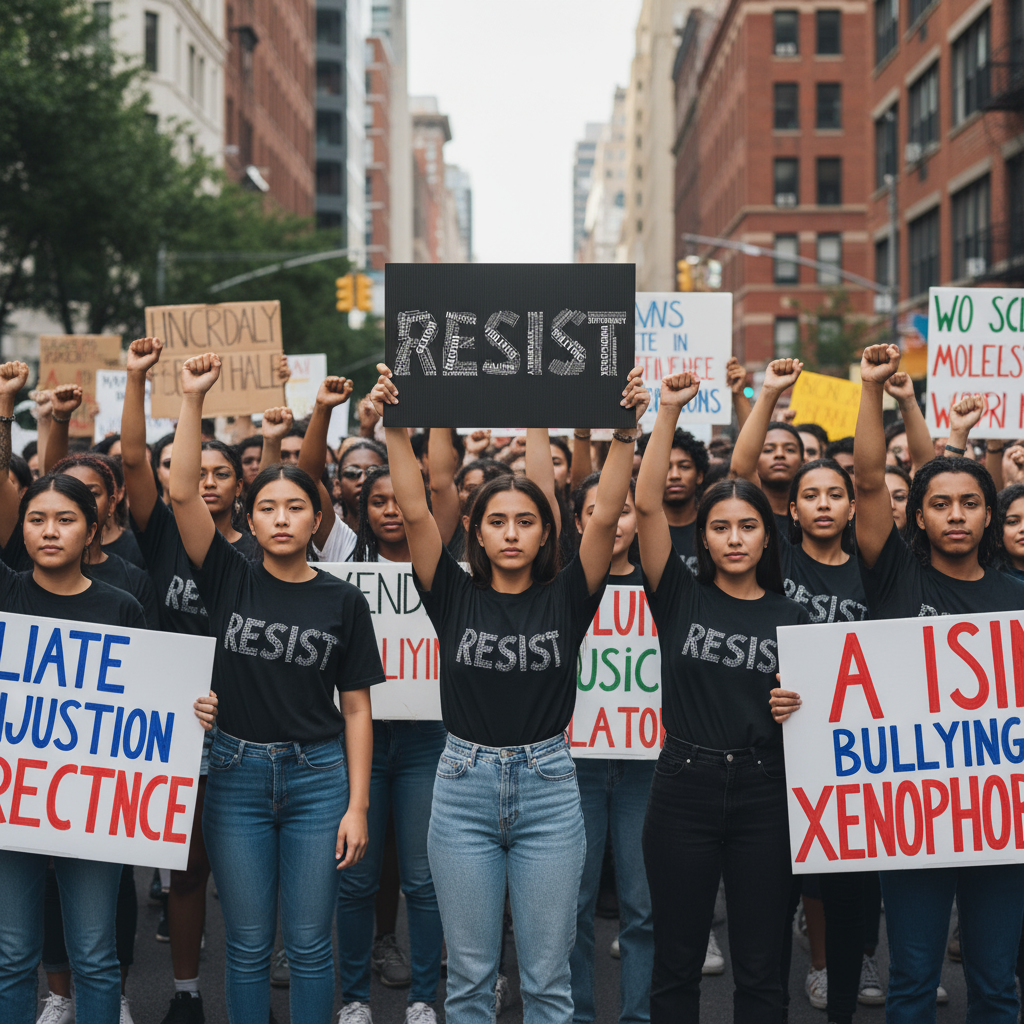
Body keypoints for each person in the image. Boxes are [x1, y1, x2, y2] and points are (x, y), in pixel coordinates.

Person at [371, 361, 646, 1023]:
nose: (513, 532)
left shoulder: (570, 596)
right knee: (468, 980)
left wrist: (624, 433)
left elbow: (606, 512)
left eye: (527, 520)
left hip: (550, 789)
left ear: (548, 531)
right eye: (498, 521)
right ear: (478, 532)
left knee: (548, 981)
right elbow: (414, 507)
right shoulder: (450, 591)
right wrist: (393, 426)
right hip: (461, 786)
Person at [773, 343, 1024, 1024]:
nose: (955, 516)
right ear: (919, 517)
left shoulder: (1017, 597)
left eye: (971, 503)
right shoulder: (894, 576)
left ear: (988, 516)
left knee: (997, 984)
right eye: (940, 504)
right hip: (911, 826)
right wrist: (872, 390)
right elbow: (868, 481)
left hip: (995, 822)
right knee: (912, 979)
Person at [169, 351, 383, 1024]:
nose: (284, 517)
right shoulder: (226, 575)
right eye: (269, 507)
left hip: (320, 778)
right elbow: (179, 493)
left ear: (318, 520)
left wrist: (357, 806)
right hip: (234, 773)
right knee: (249, 944)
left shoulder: (343, 601)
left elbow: (356, 709)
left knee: (313, 945)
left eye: (298, 506)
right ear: (250, 518)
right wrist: (193, 398)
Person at [0, 360, 217, 1024]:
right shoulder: (6, 593)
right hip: (16, 799)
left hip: (93, 808)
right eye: (36, 520)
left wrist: (192, 709)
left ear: (92, 531)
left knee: (95, 956)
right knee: (12, 956)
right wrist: (8, 408)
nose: (48, 531)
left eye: (65, 520)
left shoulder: (122, 604)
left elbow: (152, 692)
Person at [637, 371, 809, 1024]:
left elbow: (818, 718)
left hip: (768, 794)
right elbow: (648, 504)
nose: (734, 538)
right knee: (675, 964)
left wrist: (798, 707)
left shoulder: (794, 617)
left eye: (747, 526)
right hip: (683, 788)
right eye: (720, 527)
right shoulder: (678, 593)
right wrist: (668, 410)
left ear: (768, 536)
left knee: (764, 972)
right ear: (702, 538)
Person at [120, 337, 262, 1023]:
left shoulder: (266, 552)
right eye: (194, 468)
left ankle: (248, 995)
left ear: (242, 487)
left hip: (252, 724)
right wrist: (143, 383)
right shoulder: (164, 538)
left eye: (221, 472)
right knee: (187, 869)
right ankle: (184, 995)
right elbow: (132, 462)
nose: (205, 480)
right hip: (175, 723)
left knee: (246, 877)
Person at [336, 463, 448, 1024]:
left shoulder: (444, 569)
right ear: (364, 510)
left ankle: (423, 999)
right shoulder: (345, 573)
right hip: (362, 742)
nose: (390, 510)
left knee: (424, 878)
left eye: (399, 499)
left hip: (429, 740)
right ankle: (355, 998)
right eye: (377, 501)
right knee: (356, 874)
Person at [568, 470, 660, 1024]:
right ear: (581, 521)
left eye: (625, 509)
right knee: (572, 907)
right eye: (602, 510)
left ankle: (637, 1017)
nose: (615, 520)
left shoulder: (663, 587)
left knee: (642, 908)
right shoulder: (564, 587)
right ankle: (578, 1014)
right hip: (573, 767)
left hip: (645, 770)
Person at [728, 358, 805, 534]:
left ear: (803, 461)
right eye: (768, 450)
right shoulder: (752, 513)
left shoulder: (814, 518)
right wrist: (770, 390)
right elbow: (741, 469)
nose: (779, 455)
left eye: (790, 449)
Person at [337, 440, 388, 534]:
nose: (362, 480)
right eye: (352, 473)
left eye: (373, 473)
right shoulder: (329, 534)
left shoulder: (403, 535)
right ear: (337, 486)